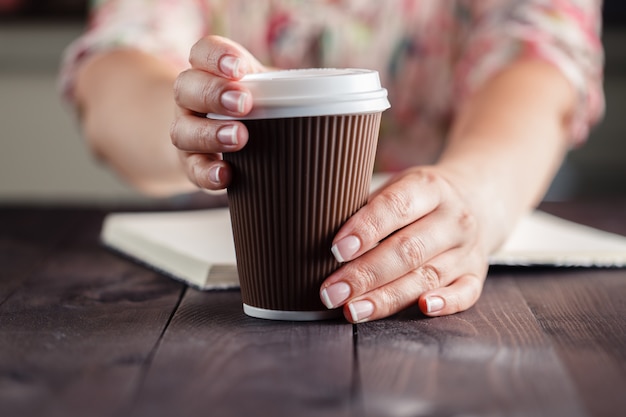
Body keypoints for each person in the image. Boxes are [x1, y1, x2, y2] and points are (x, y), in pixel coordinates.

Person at [60, 0, 604, 323]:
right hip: (214, 244)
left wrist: (479, 193)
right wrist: (192, 120)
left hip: (456, 232)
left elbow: (543, 51)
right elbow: (116, 64)